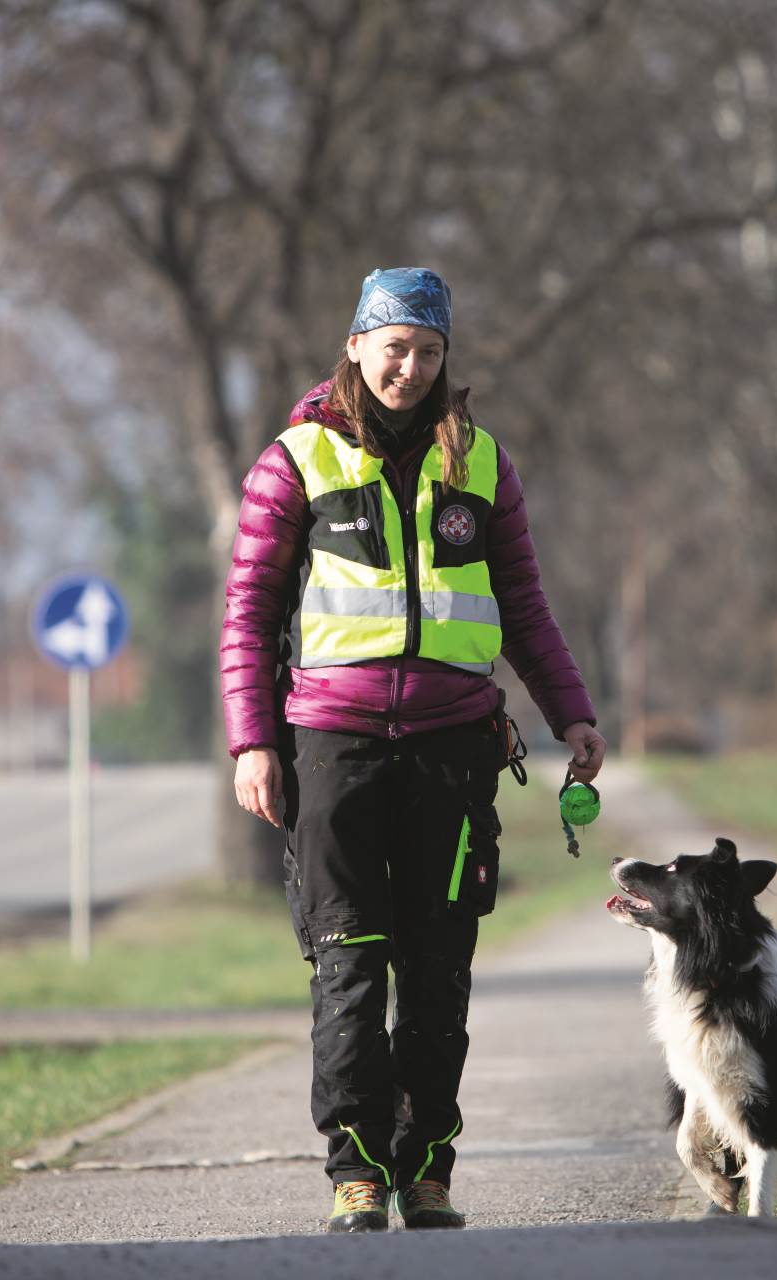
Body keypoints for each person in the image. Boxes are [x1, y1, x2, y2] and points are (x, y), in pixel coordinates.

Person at [221, 266, 606, 1233]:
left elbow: (523, 604)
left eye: (429, 351)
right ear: (355, 346)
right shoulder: (295, 460)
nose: (411, 366)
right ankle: (355, 1168)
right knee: (349, 962)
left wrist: (574, 715)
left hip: (453, 750)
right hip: (330, 749)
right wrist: (252, 742)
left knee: (438, 972)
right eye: (394, 347)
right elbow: (249, 614)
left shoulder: (481, 463)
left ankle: (426, 1165)